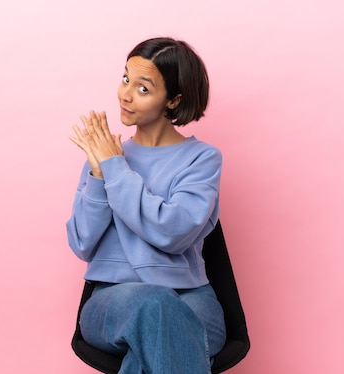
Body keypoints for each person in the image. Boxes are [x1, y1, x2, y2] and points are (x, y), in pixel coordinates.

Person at [66, 37, 226, 374]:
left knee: (154, 342)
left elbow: (174, 233)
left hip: (190, 297)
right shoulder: (106, 157)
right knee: (154, 307)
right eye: (126, 79)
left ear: (173, 100)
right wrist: (99, 174)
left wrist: (115, 168)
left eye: (143, 88)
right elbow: (82, 243)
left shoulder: (201, 160)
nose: (125, 94)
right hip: (113, 300)